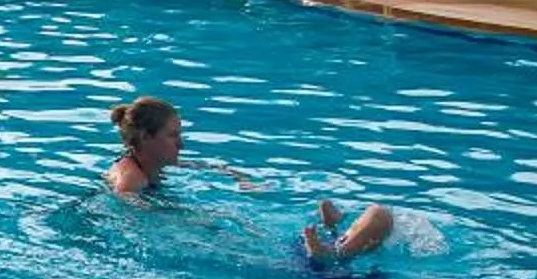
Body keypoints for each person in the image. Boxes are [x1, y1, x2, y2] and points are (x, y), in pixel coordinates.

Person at [106, 94, 398, 267]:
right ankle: (328, 240)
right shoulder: (129, 177)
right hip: (185, 233)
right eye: (173, 136)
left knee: (379, 217)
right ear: (145, 137)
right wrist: (188, 217)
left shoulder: (152, 160)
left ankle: (328, 237)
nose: (181, 144)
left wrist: (241, 179)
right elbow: (127, 201)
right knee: (379, 216)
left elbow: (210, 165)